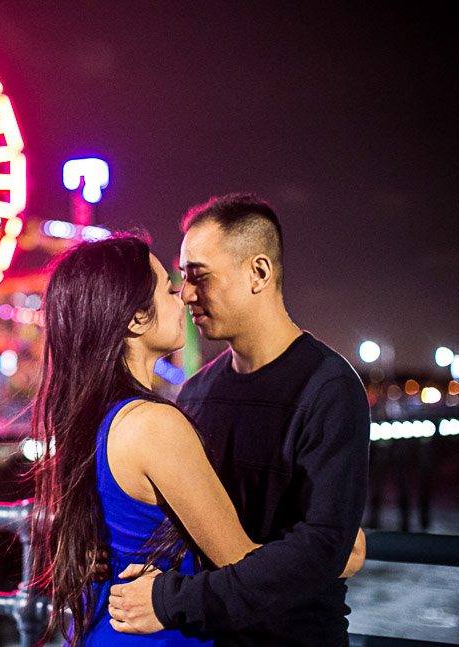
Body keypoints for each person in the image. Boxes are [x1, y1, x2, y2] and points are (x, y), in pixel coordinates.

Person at [28, 235, 363, 647]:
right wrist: (332, 557)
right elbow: (240, 564)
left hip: (101, 628)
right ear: (134, 318)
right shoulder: (154, 424)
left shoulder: (95, 416)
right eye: (168, 289)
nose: (183, 298)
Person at [107, 193, 371, 646]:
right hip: (213, 637)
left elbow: (320, 549)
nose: (185, 293)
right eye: (181, 277)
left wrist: (174, 601)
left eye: (198, 276)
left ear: (259, 273)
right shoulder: (197, 392)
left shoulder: (329, 388)